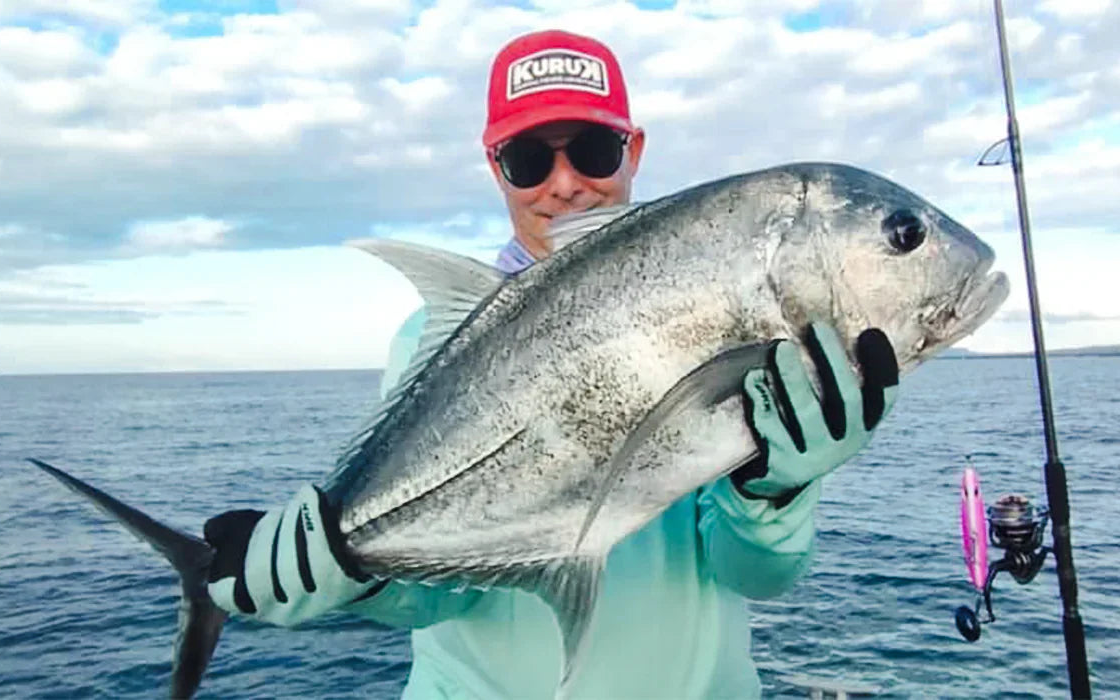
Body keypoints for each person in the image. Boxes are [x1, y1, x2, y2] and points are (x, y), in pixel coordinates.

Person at [198, 29, 899, 698]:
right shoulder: (430, 339)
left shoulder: (720, 313)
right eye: (529, 160)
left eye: (593, 150)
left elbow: (756, 574)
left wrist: (771, 493)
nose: (564, 184)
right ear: (495, 167)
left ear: (634, 150)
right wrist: (356, 572)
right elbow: (441, 598)